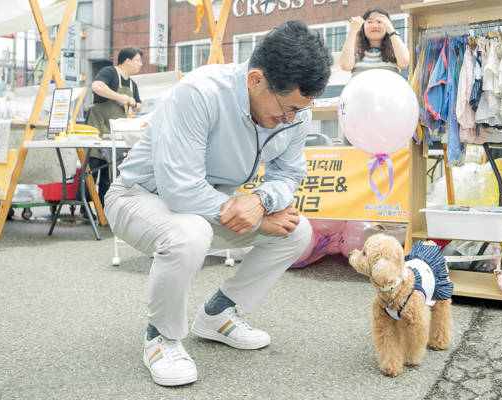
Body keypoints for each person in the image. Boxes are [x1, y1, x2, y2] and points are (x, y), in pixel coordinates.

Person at [103, 21, 332, 387]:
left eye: (300, 110)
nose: (291, 119)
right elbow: (180, 190)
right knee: (189, 233)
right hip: (138, 197)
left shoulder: (296, 112)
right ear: (255, 80)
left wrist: (262, 200)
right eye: (287, 108)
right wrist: (258, 220)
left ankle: (218, 314)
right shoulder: (199, 91)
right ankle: (161, 337)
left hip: (210, 203)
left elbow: (289, 174)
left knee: (297, 231)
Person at [80, 46, 143, 219]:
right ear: (128, 60)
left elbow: (139, 106)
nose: (141, 64)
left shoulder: (132, 84)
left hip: (115, 132)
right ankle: (85, 207)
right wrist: (120, 97)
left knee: (110, 170)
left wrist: (133, 103)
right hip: (98, 127)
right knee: (91, 168)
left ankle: (104, 208)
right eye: (138, 60)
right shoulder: (109, 72)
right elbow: (97, 86)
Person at [339, 7, 409, 77]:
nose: (375, 26)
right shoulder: (356, 52)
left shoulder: (395, 52)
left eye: (379, 22)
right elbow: (345, 65)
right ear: (363, 27)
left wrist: (391, 31)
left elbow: (404, 61)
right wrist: (352, 31)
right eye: (370, 22)